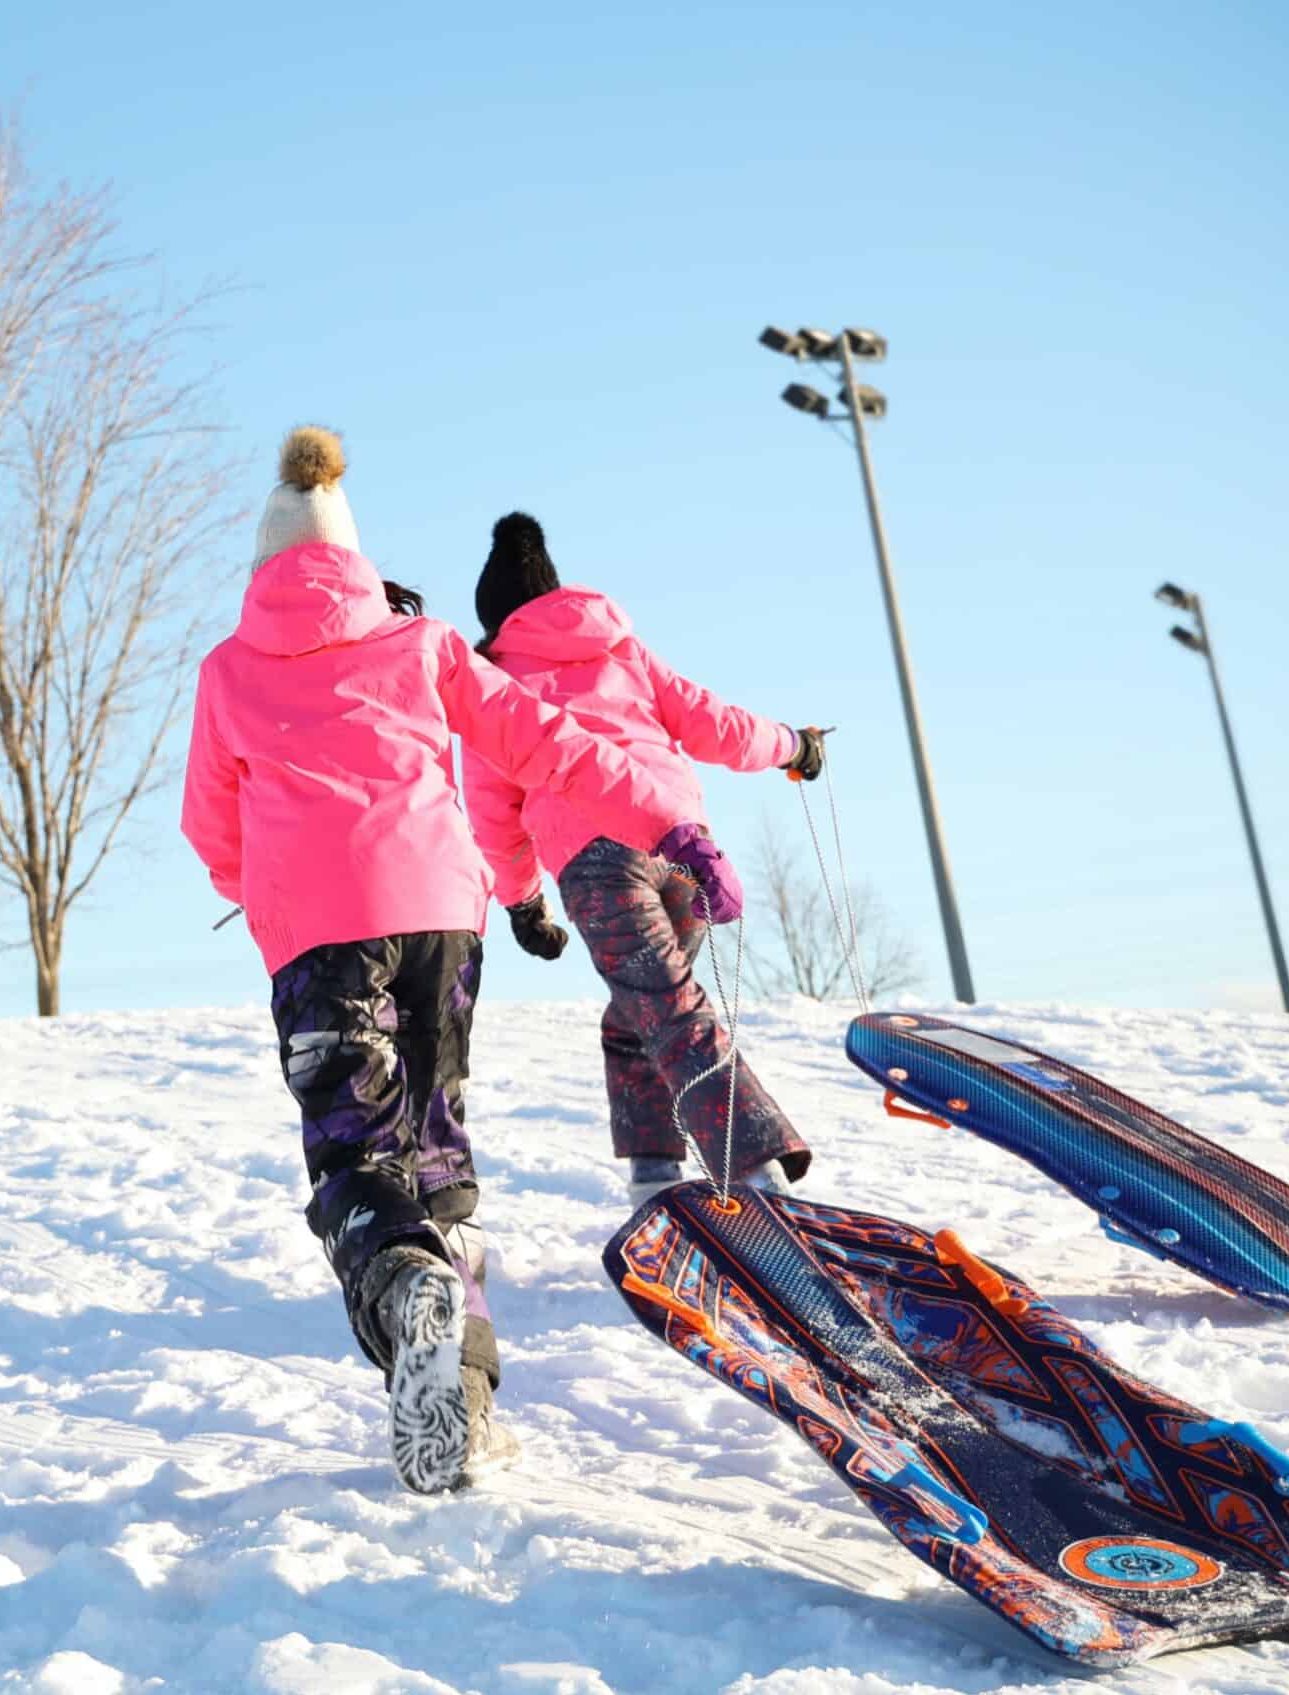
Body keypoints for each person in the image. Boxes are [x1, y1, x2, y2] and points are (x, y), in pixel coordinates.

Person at [182, 429, 687, 1495]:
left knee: (358, 1150)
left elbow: (208, 824)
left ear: (262, 565)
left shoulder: (227, 669)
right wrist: (666, 815)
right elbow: (540, 737)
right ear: (353, 557)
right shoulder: (421, 643)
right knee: (437, 1146)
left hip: (320, 934)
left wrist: (261, 893)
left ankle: (402, 1277)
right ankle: (464, 1398)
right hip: (439, 921)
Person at [463, 511, 827, 1206]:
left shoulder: (498, 682)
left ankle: (759, 1172)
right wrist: (794, 745)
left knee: (666, 1010)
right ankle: (655, 1169)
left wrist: (523, 904)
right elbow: (716, 724)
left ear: (496, 617)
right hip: (679, 848)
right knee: (642, 1011)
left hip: (598, 863)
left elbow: (492, 810)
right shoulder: (622, 650)